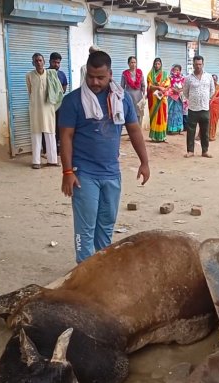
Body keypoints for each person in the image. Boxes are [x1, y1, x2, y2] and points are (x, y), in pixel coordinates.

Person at [58, 51, 150, 263]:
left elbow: (134, 130)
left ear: (110, 74)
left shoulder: (122, 99)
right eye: (90, 76)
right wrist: (67, 172)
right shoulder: (72, 101)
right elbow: (66, 137)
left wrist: (144, 162)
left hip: (111, 173)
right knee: (86, 229)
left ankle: (101, 270)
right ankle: (84, 275)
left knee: (106, 225)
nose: (94, 82)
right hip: (84, 175)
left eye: (100, 77)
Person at [26, 53, 59, 169]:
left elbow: (58, 90)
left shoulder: (51, 74)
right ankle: (36, 161)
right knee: (36, 133)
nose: (38, 63)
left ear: (44, 62)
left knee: (50, 133)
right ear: (33, 63)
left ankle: (52, 160)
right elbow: (30, 92)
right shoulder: (29, 75)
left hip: (48, 107)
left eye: (40, 60)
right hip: (35, 108)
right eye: (36, 61)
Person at [183, 55, 215, 158]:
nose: (198, 66)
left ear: (203, 64)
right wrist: (193, 99)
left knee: (205, 131)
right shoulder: (188, 78)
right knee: (191, 131)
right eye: (196, 64)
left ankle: (205, 151)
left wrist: (206, 98)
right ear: (193, 64)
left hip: (205, 108)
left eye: (200, 64)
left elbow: (212, 90)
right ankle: (190, 151)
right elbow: (185, 92)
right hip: (193, 108)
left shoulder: (208, 77)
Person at [44, 52, 68, 157]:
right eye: (54, 62)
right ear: (49, 61)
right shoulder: (44, 73)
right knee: (47, 127)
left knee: (58, 126)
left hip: (58, 105)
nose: (56, 64)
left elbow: (64, 87)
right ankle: (46, 150)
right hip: (46, 105)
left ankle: (57, 149)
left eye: (58, 62)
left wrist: (57, 94)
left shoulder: (62, 74)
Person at [146, 58, 169, 142]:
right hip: (153, 98)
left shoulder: (165, 74)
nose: (157, 65)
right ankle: (154, 137)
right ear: (153, 64)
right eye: (155, 64)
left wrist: (162, 89)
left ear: (161, 65)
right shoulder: (150, 74)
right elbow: (150, 86)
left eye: (158, 64)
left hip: (162, 98)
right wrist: (158, 87)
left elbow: (168, 85)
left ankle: (162, 136)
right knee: (154, 116)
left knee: (162, 117)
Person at [120, 56, 146, 123]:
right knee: (130, 114)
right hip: (129, 97)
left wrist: (144, 95)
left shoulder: (140, 72)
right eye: (131, 62)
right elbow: (122, 86)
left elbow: (143, 85)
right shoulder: (125, 74)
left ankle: (139, 130)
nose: (133, 64)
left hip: (139, 97)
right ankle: (132, 131)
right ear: (128, 64)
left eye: (135, 62)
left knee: (139, 115)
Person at [167, 65, 185, 135]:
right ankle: (171, 128)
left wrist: (180, 90)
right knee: (171, 113)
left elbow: (184, 86)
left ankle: (179, 128)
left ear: (180, 71)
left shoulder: (182, 78)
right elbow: (169, 86)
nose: (176, 71)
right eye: (175, 70)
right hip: (172, 97)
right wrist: (174, 89)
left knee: (179, 113)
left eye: (178, 70)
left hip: (179, 98)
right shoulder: (170, 78)